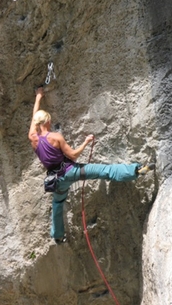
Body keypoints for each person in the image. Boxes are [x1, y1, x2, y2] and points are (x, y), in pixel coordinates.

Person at [28, 86, 155, 244]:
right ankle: (135, 170)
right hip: (72, 171)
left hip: (57, 180)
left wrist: (38, 97)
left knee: (57, 204)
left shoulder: (32, 138)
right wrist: (86, 142)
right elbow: (73, 155)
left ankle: (58, 236)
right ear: (47, 121)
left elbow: (34, 118)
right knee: (105, 171)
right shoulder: (56, 137)